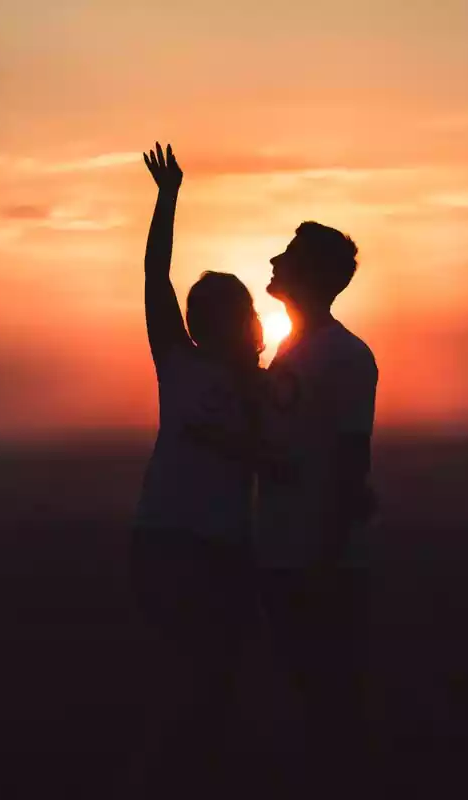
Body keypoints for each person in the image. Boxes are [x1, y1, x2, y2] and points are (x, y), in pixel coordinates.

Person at [122, 142, 265, 798]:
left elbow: (277, 460)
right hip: (173, 544)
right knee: (179, 689)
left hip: (211, 548)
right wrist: (167, 196)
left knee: (208, 691)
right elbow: (155, 276)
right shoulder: (179, 362)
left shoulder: (266, 387)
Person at [255, 221, 380, 795]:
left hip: (317, 558)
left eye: (290, 256)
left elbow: (353, 463)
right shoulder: (293, 348)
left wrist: (325, 561)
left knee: (324, 698)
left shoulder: (347, 357)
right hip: (284, 550)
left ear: (313, 276)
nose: (275, 261)